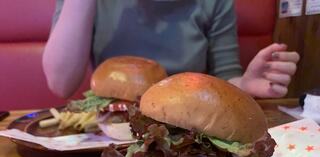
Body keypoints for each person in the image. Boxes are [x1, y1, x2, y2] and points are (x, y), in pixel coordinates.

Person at [43, 0, 300, 99]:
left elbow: (224, 79)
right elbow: (61, 83)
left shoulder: (215, 3)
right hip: (104, 132)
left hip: (183, 126)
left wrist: (245, 84)